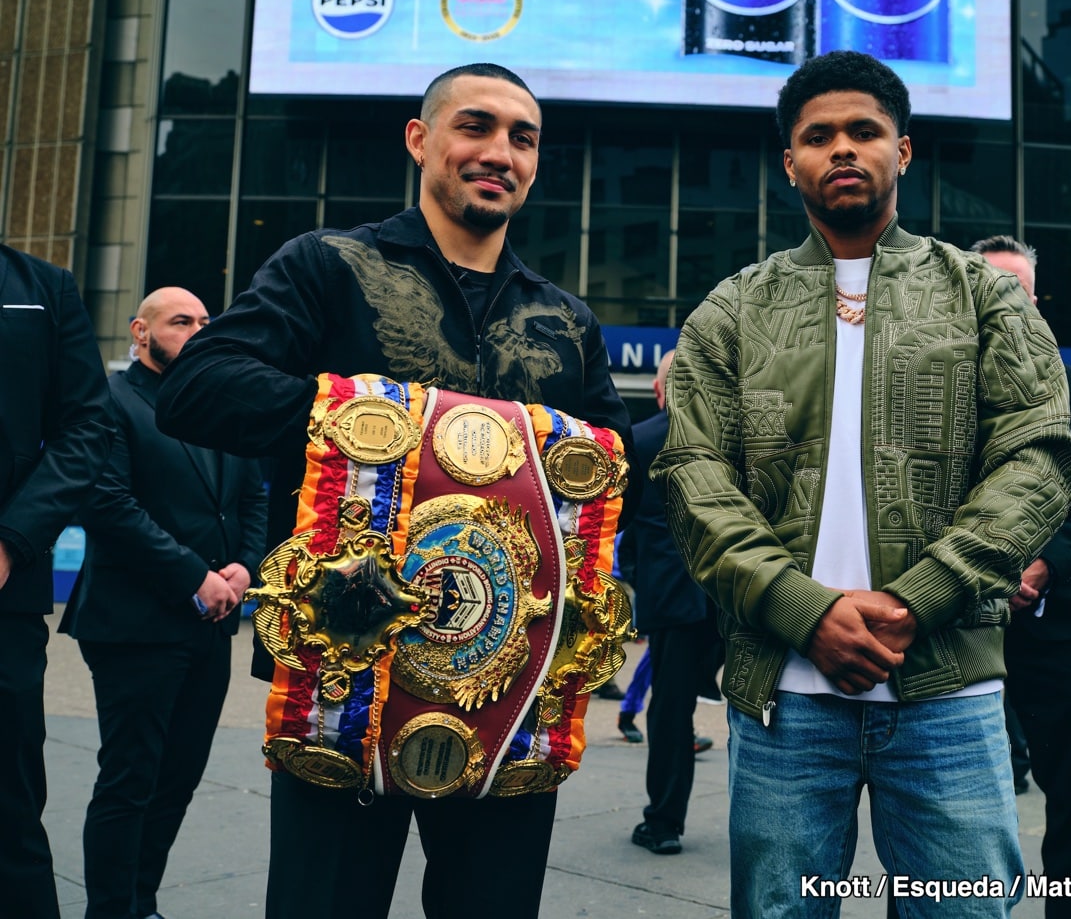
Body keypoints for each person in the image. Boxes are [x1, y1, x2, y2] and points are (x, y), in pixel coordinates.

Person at [155, 62, 635, 919]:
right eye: (475, 127)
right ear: (420, 139)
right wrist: (375, 424)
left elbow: (610, 466)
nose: (500, 153)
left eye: (522, 139)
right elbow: (197, 388)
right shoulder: (329, 265)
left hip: (507, 692)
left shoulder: (565, 319)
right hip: (345, 681)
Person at [653, 50, 1071, 918]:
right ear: (790, 162)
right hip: (784, 695)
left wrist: (924, 593)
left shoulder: (983, 298)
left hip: (949, 690)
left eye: (864, 131)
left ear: (903, 150)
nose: (842, 149)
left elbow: (1039, 457)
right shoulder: (730, 309)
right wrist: (803, 608)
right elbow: (692, 475)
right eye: (819, 136)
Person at [60, 287, 268, 919]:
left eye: (206, 321)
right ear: (141, 332)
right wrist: (192, 576)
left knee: (177, 778)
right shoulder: (110, 400)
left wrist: (244, 567)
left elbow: (251, 497)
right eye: (182, 321)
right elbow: (107, 503)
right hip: (133, 624)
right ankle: (110, 911)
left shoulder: (219, 405)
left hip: (211, 623)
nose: (198, 331)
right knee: (131, 780)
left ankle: (140, 904)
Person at [972, 235, 1071, 919]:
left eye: (1022, 290)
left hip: (1054, 626)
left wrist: (1042, 563)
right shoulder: (940, 387)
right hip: (962, 626)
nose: (1012, 301)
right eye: (997, 288)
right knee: (958, 790)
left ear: (1037, 300)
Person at [0, 245, 114, 919]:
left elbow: (87, 425)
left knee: (9, 819)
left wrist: (13, 538)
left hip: (4, 601)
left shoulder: (41, 288)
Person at [622, 350, 723, 855]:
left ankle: (663, 823)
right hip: (735, 595)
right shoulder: (734, 439)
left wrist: (640, 579)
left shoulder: (639, 442)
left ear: (661, 390)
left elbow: (626, 531)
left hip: (673, 597)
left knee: (670, 712)